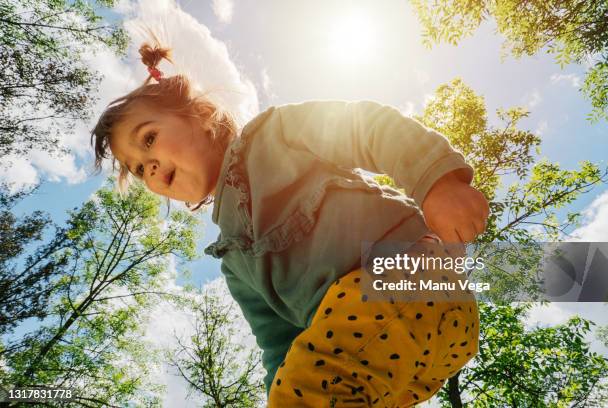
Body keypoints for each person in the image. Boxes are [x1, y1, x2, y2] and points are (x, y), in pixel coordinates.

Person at [91, 42, 489, 407]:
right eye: (139, 170)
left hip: (405, 276)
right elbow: (279, 345)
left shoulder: (273, 135)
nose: (152, 168)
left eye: (149, 140)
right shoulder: (234, 261)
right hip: (399, 360)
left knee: (311, 393)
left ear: (203, 115)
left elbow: (365, 127)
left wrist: (436, 182)